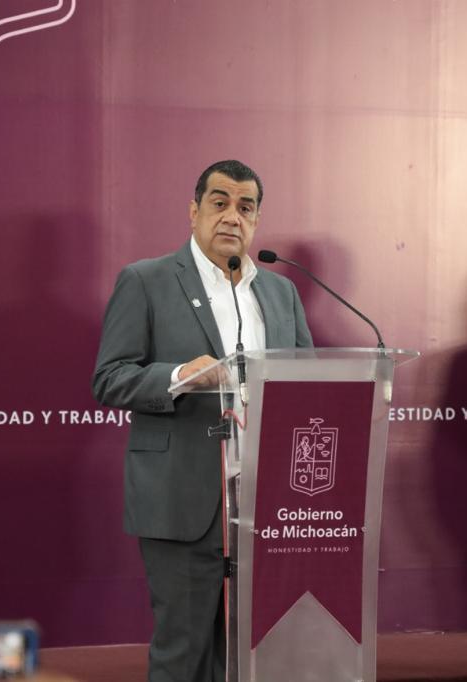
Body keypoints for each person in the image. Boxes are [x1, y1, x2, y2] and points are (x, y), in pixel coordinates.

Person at [92, 159, 313, 682]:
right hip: (183, 498)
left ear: (256, 220)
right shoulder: (146, 280)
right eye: (220, 203)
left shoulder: (280, 292)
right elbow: (109, 378)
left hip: (268, 503)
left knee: (253, 655)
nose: (233, 216)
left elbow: (307, 379)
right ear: (194, 212)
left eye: (246, 207)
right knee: (184, 656)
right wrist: (178, 376)